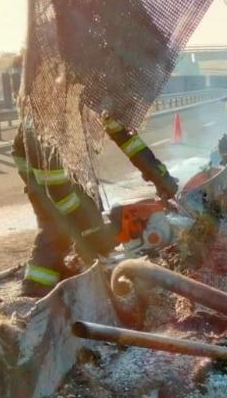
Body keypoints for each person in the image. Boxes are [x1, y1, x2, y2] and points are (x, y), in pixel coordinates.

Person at [13, 111, 179, 297]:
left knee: (88, 209)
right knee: (57, 222)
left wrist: (158, 174)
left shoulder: (97, 99)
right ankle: (36, 285)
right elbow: (57, 190)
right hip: (36, 160)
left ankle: (61, 270)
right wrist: (85, 227)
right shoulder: (49, 122)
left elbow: (127, 138)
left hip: (68, 158)